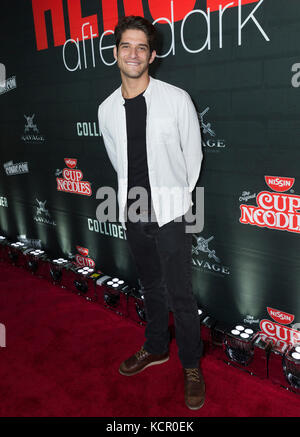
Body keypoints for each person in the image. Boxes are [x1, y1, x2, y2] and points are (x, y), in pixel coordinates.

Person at [98, 15, 205, 410]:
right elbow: (117, 159)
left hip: (172, 212)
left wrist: (175, 199)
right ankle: (156, 346)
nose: (133, 53)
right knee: (151, 288)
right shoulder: (106, 109)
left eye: (141, 47)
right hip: (133, 210)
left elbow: (192, 158)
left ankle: (191, 365)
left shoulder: (176, 100)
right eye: (126, 45)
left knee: (181, 293)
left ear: (152, 55)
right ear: (115, 53)